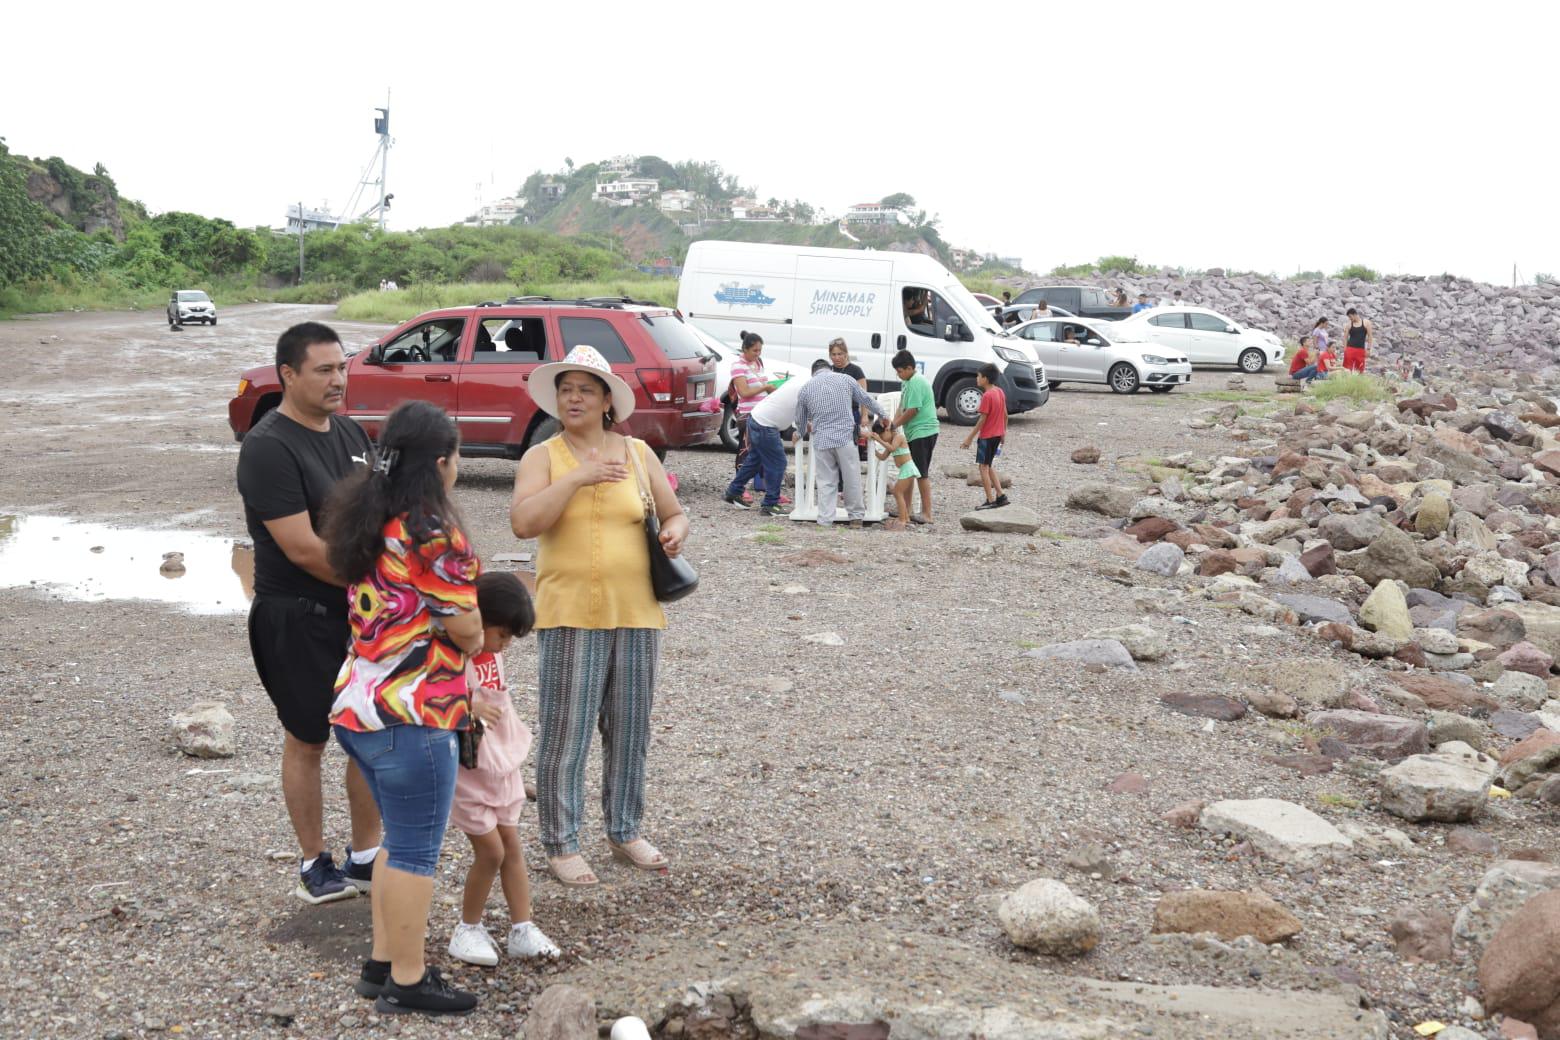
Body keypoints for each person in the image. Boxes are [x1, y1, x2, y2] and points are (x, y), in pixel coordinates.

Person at [324, 400, 483, 1016]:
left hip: (359, 706)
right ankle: (410, 981)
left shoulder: (369, 517)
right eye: (457, 455)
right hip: (415, 712)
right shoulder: (430, 531)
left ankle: (382, 962)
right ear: (441, 463)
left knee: (398, 840)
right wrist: (467, 632)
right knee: (417, 851)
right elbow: (466, 627)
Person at [509, 345, 689, 887]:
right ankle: (561, 842)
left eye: (586, 389)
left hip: (636, 611)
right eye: (566, 389)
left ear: (607, 400)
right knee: (567, 732)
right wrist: (577, 479)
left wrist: (677, 530)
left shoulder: (637, 453)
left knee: (631, 730)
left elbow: (674, 512)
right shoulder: (543, 456)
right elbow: (523, 523)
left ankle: (624, 828)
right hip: (569, 612)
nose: (574, 398)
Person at [237, 321, 381, 905]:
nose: (337, 380)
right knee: (309, 738)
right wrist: (382, 583)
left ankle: (367, 857)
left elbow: (378, 513)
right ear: (288, 375)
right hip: (296, 615)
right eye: (323, 370)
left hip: (360, 611)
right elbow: (300, 547)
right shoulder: (268, 447)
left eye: (341, 367)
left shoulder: (350, 432)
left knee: (371, 731)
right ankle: (313, 864)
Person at [447, 571, 560, 967]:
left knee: (511, 846)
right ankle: (467, 928)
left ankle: (521, 927)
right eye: (503, 636)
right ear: (478, 619)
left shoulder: (490, 653)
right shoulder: (453, 655)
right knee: (491, 852)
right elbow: (432, 702)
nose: (505, 646)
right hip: (470, 770)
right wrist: (466, 707)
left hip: (501, 765)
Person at [794, 358, 888, 528]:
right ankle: (856, 517)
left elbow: (800, 420)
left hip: (822, 441)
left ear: (813, 372)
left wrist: (798, 432)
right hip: (845, 438)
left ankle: (825, 520)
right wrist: (883, 414)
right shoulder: (845, 379)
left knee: (826, 481)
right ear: (830, 368)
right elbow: (866, 400)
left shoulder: (806, 388)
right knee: (851, 477)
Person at [727, 362, 811, 517]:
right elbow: (802, 413)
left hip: (756, 417)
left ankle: (733, 491)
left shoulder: (803, 379)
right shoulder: (809, 387)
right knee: (778, 463)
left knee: (755, 459)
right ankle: (770, 504)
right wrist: (803, 428)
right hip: (765, 424)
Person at [888, 350, 940, 525]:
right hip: (914, 432)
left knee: (920, 473)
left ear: (910, 368)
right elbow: (902, 406)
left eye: (900, 371)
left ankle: (927, 513)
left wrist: (896, 425)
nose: (898, 374)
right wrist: (893, 424)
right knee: (909, 470)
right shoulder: (907, 382)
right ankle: (907, 509)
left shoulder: (917, 382)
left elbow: (913, 410)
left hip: (924, 431)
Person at [727, 331, 772, 501]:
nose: (758, 354)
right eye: (754, 350)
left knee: (766, 451)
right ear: (745, 349)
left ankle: (769, 487)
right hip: (748, 414)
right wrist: (765, 388)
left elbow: (760, 383)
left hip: (763, 413)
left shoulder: (758, 363)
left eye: (760, 350)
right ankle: (739, 488)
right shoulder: (738, 366)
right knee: (745, 450)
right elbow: (744, 392)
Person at [960, 363, 1009, 510]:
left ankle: (990, 500)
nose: (977, 378)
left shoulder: (987, 396)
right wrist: (1003, 433)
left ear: (985, 379)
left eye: (979, 376)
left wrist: (969, 438)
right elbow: (1005, 415)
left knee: (983, 467)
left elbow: (982, 419)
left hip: (987, 437)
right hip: (997, 435)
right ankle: (1001, 495)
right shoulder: (999, 391)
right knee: (989, 465)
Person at [869, 420, 919, 532]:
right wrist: (872, 450)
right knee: (905, 496)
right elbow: (882, 457)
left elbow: (892, 449)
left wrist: (878, 439)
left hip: (908, 468)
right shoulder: (890, 442)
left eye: (882, 435)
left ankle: (902, 519)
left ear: (887, 430)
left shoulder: (898, 437)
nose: (882, 437)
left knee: (897, 492)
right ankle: (906, 517)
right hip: (905, 470)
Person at [828, 338, 869, 459]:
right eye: (833, 354)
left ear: (846, 354)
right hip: (832, 415)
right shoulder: (829, 370)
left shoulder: (856, 371)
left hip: (851, 414)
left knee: (849, 450)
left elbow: (864, 396)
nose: (837, 357)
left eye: (839, 354)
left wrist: (865, 415)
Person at [1343, 308, 1374, 373]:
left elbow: (1370, 336)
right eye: (1349, 317)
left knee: (1360, 369)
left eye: (1350, 317)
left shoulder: (1366, 322)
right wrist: (1345, 349)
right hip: (1350, 348)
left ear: (1355, 314)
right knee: (1347, 369)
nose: (1350, 319)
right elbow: (1345, 337)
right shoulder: (1349, 324)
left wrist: (1368, 349)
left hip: (1360, 349)